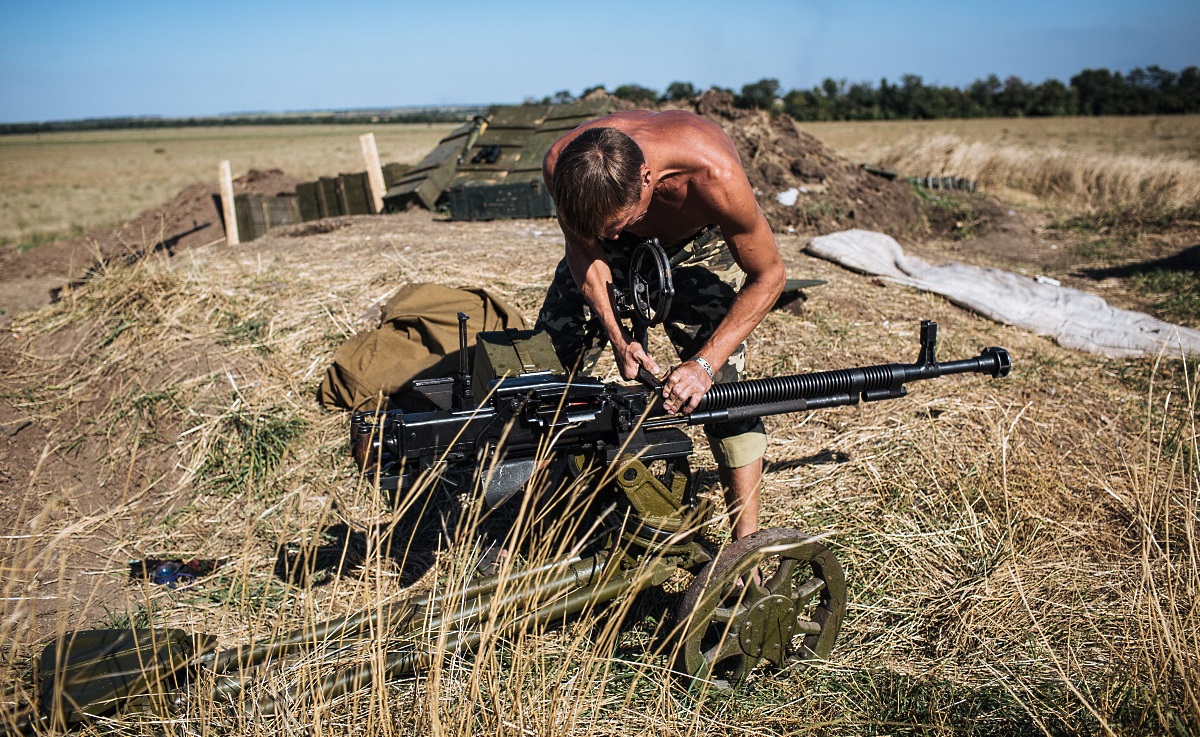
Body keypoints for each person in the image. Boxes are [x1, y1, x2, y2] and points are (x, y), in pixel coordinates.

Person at [535, 109, 785, 541]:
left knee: (727, 392)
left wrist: (704, 364)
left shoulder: (714, 176)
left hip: (697, 243)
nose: (612, 238)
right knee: (542, 370)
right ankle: (532, 513)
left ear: (648, 179)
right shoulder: (563, 163)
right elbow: (585, 250)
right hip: (605, 247)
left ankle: (747, 550)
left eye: (619, 225)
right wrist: (619, 337)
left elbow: (770, 276)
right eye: (603, 230)